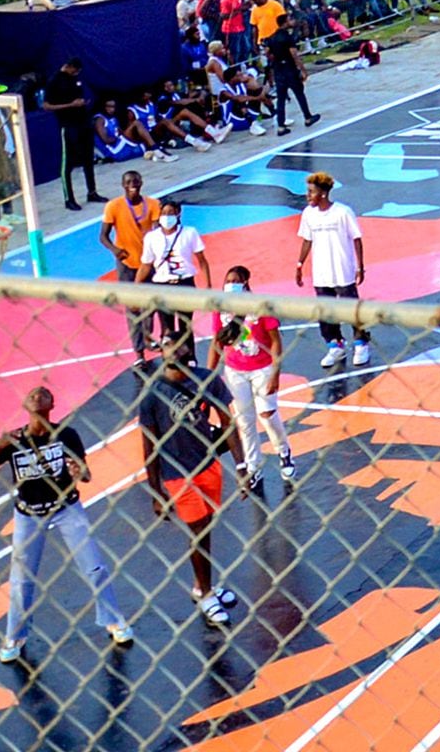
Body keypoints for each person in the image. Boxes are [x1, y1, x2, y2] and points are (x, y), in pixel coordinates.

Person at [0, 386, 132, 664]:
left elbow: (85, 474)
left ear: (53, 404)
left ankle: (113, 620)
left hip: (66, 508)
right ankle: (15, 634)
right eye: (33, 394)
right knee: (21, 579)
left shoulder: (67, 435)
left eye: (43, 394)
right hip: (29, 513)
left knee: (95, 566)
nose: (36, 395)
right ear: (25, 404)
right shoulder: (13, 440)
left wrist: (78, 472)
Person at [138, 335, 243, 628]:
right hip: (177, 474)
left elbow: (228, 423)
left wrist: (242, 465)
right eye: (166, 344)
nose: (171, 347)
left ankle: (202, 585)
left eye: (176, 343)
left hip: (207, 464)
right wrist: (156, 492)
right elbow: (149, 446)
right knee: (197, 530)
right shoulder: (153, 394)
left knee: (206, 526)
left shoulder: (207, 380)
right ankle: (207, 593)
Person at [203, 266, 295, 488]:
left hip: (262, 368)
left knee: (268, 414)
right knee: (245, 421)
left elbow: (275, 340)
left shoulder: (260, 305)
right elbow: (216, 342)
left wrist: (275, 373)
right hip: (235, 371)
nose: (231, 283)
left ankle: (284, 451)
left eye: (236, 280)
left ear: (245, 283)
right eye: (228, 279)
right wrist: (208, 376)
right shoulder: (220, 307)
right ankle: (253, 467)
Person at [296, 172, 370, 369]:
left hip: (343, 270)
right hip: (321, 273)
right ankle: (335, 345)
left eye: (311, 192)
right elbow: (306, 240)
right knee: (326, 311)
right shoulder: (308, 214)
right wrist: (299, 264)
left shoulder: (343, 212)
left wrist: (360, 266)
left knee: (351, 309)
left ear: (322, 193)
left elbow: (356, 238)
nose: (307, 195)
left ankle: (361, 343)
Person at [138, 199, 211, 360]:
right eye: (164, 213)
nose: (167, 217)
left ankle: (190, 358)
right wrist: (135, 287)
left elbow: (202, 260)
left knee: (185, 325)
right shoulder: (151, 237)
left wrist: (207, 285)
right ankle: (169, 358)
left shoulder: (189, 233)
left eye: (170, 213)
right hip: (162, 285)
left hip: (185, 283)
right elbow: (146, 265)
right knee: (167, 327)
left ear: (178, 214)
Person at [100, 170, 162, 360]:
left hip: (147, 262)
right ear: (123, 185)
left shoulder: (153, 204)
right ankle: (138, 352)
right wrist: (115, 250)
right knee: (132, 307)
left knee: (150, 304)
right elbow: (103, 236)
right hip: (126, 263)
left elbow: (158, 230)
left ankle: (147, 335)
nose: (132, 184)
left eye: (136, 181)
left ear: (142, 182)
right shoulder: (113, 206)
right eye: (128, 182)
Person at [42, 57, 104, 210]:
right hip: (68, 125)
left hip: (83, 122)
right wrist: (70, 105)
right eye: (75, 70)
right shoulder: (54, 81)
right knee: (67, 163)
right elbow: (47, 106)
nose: (76, 73)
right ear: (68, 67)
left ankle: (92, 191)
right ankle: (69, 198)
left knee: (88, 158)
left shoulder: (75, 79)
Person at [267, 20, 320, 136]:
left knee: (281, 98)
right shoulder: (287, 37)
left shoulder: (272, 37)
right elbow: (294, 54)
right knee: (299, 93)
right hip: (289, 69)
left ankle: (281, 125)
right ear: (284, 22)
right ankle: (307, 117)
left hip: (278, 69)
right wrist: (302, 69)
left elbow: (268, 54)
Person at [93, 97, 170, 164]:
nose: (111, 109)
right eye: (108, 107)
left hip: (120, 145)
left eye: (113, 107)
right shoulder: (100, 120)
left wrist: (127, 135)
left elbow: (119, 131)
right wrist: (121, 136)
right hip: (114, 151)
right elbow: (106, 140)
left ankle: (157, 149)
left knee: (144, 143)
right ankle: (156, 149)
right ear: (103, 107)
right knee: (136, 123)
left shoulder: (113, 118)